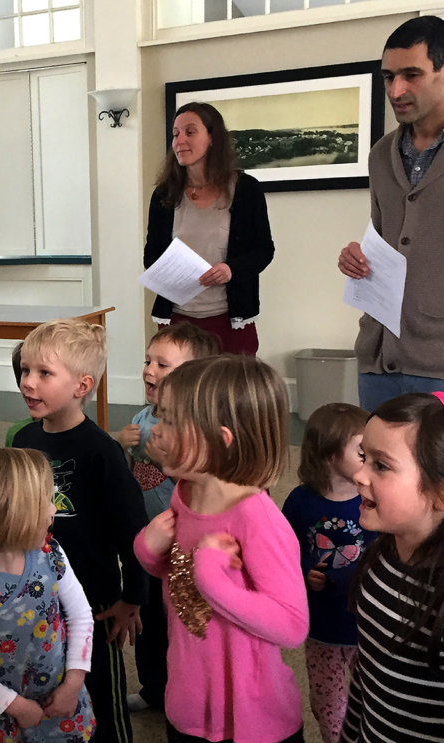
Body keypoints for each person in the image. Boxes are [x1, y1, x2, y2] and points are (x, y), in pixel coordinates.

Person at [133, 355, 309, 743]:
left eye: (169, 420)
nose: (155, 430)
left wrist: (215, 582)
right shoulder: (185, 493)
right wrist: (148, 550)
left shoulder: (257, 519)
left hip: (251, 722)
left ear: (220, 440)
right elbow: (179, 577)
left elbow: (292, 626)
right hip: (188, 702)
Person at [11, 317, 147, 743]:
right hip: (37, 595)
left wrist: (132, 599)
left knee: (101, 694)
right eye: (25, 370)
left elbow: (133, 532)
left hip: (94, 601)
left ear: (82, 386)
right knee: (46, 685)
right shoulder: (22, 440)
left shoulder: (102, 452)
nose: (28, 382)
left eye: (44, 373)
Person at [337, 16, 444, 410]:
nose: (396, 90)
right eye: (389, 77)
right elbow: (386, 237)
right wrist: (357, 258)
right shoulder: (381, 155)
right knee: (372, 452)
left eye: (411, 75)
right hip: (379, 358)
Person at [0, 447, 96, 742]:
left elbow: (81, 616)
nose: (53, 510)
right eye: (46, 502)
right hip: (12, 715)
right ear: (13, 515)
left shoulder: (51, 553)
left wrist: (74, 682)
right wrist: (17, 707)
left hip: (65, 701)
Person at [341, 391, 444, 740]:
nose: (359, 474)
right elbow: (368, 671)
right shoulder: (379, 558)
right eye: (363, 457)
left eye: (380, 465)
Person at [116, 322, 218, 714]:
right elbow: (129, 478)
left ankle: (192, 693)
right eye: (148, 361)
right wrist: (120, 444)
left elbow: (202, 483)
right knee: (149, 622)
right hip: (149, 540)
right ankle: (153, 688)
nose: (149, 370)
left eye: (163, 364)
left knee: (185, 622)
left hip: (185, 545)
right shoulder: (141, 417)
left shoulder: (196, 429)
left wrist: (165, 454)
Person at [144, 101, 275, 355]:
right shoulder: (163, 194)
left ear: (213, 138)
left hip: (230, 319)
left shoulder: (246, 189)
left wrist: (230, 270)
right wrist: (172, 272)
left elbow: (263, 250)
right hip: (177, 320)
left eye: (190, 132)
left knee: (233, 381)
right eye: (175, 134)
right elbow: (152, 255)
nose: (180, 140)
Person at [281, 403, 375, 743]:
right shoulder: (300, 501)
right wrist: (306, 571)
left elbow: (383, 556)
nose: (370, 460)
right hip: (321, 625)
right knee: (328, 704)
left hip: (366, 625)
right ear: (331, 455)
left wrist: (340, 579)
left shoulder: (373, 499)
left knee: (371, 699)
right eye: (362, 452)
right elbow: (284, 551)